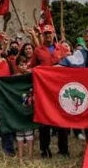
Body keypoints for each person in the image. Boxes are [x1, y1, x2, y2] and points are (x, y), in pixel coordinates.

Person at [29, 23, 69, 158]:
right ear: (42, 35)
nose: (48, 36)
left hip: (60, 89)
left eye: (49, 33)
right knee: (44, 120)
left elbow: (71, 66)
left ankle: (64, 150)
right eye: (45, 34)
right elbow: (32, 67)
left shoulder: (62, 49)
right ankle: (44, 149)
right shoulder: (38, 51)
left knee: (62, 120)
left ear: (53, 34)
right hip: (44, 91)